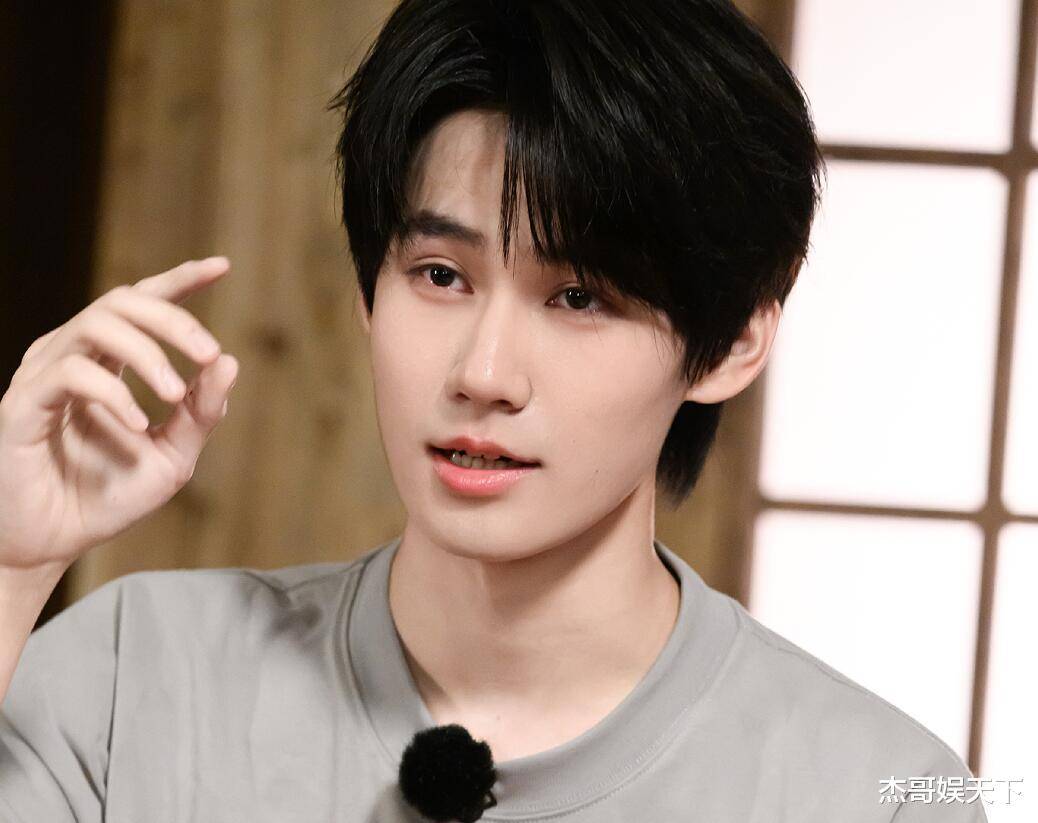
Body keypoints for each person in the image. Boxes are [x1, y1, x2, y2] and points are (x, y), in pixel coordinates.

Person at [0, 0, 984, 821]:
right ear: (369, 290)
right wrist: (11, 567)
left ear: (731, 343)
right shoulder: (131, 675)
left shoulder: (880, 793)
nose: (484, 371)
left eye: (579, 296)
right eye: (441, 274)